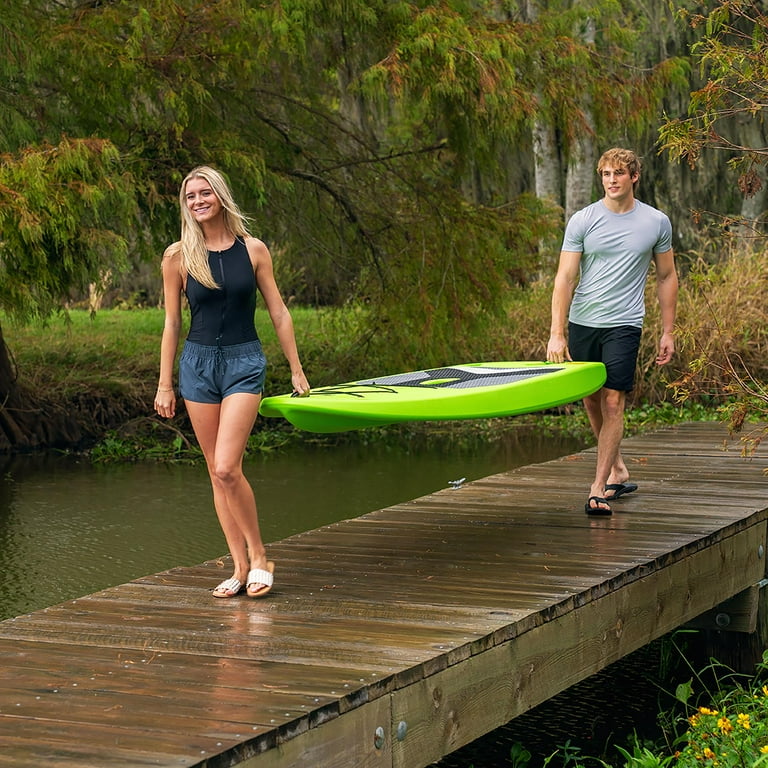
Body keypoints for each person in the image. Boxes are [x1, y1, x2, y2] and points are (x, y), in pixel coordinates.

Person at [154, 166, 310, 597]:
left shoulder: (254, 250)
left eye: (204, 193)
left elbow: (278, 311)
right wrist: (165, 383)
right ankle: (239, 567)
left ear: (220, 196)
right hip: (197, 366)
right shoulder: (177, 257)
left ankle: (260, 555)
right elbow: (170, 324)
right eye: (190, 196)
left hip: (244, 363)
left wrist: (295, 367)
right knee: (215, 472)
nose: (197, 201)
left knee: (227, 466)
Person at [546, 148, 678, 516]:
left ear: (634, 176)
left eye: (618, 173)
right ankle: (618, 468)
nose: (611, 180)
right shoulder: (583, 220)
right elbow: (565, 278)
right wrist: (557, 332)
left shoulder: (656, 222)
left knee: (613, 401)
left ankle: (598, 488)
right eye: (605, 174)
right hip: (584, 321)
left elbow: (666, 276)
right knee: (591, 399)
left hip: (625, 322)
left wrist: (668, 331)